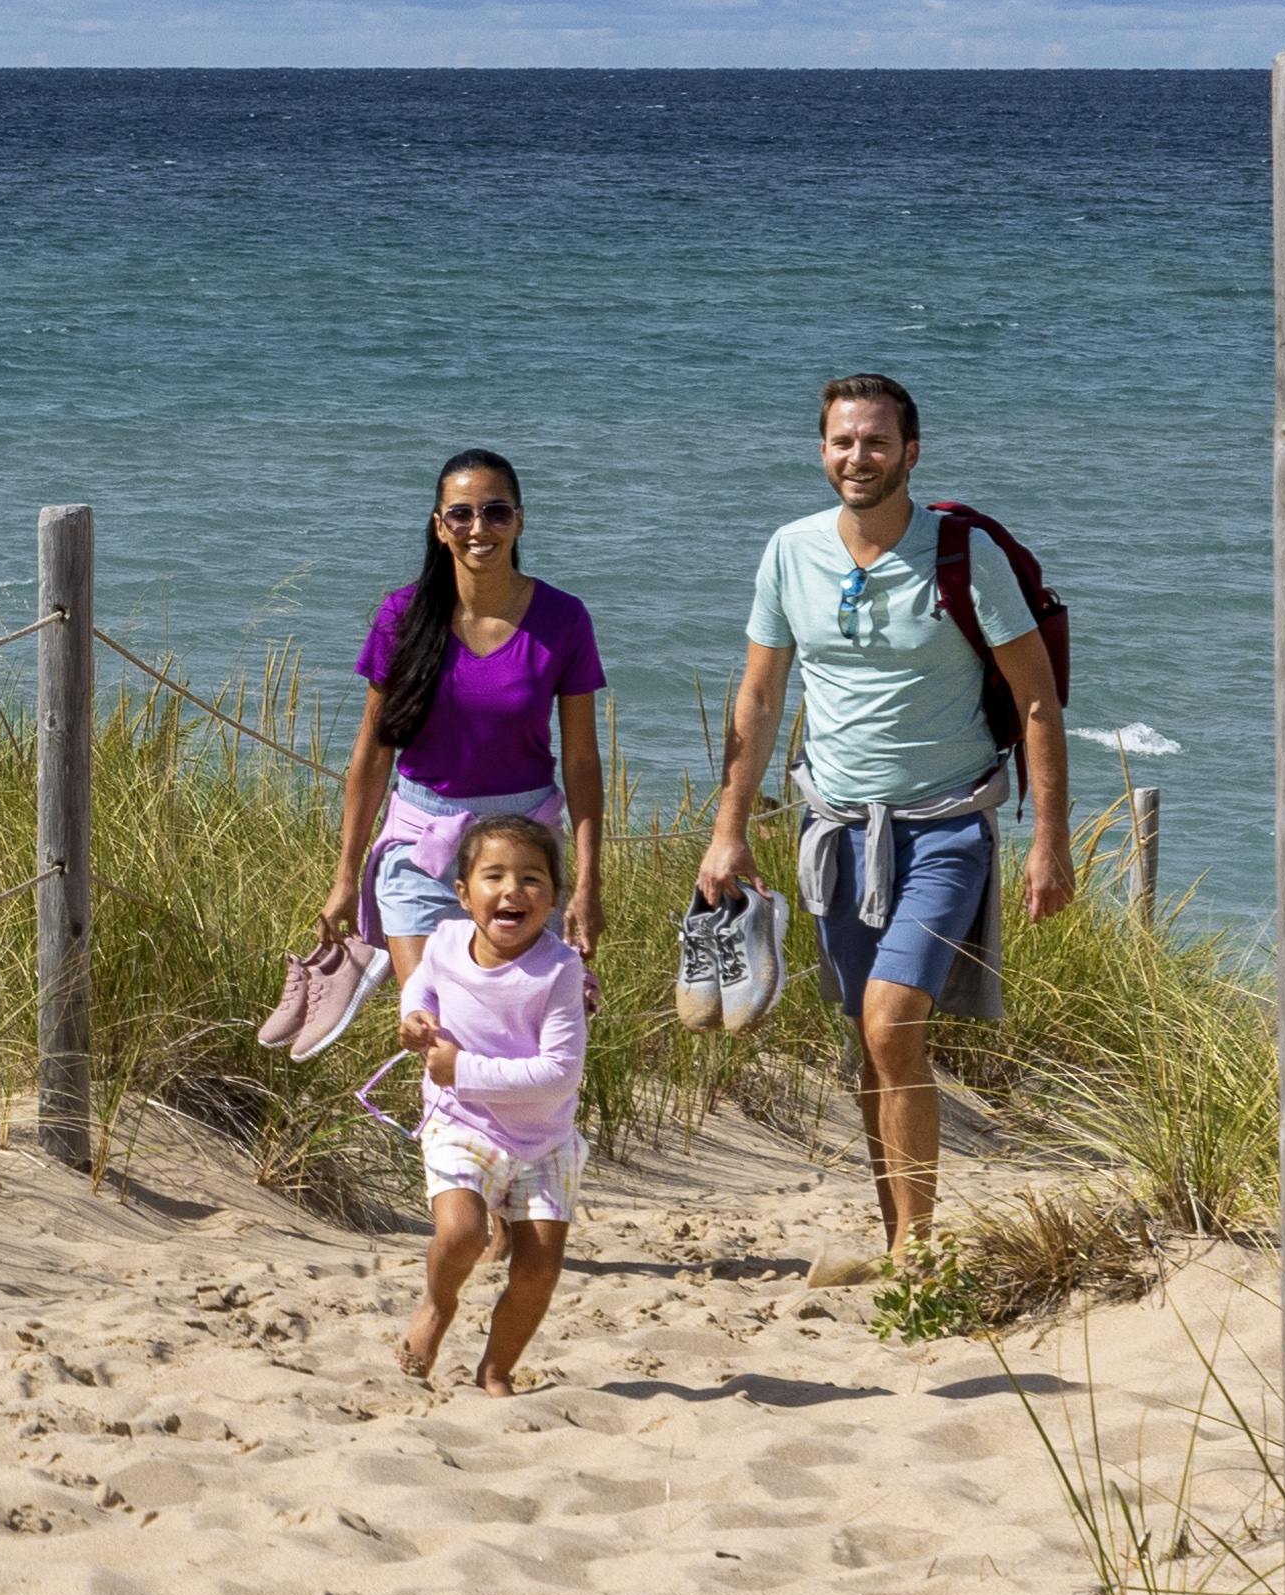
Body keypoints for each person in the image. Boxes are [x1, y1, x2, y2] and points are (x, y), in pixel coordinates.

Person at [692, 371, 1075, 1278]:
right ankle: (896, 1231)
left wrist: (1050, 836)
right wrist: (729, 827)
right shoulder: (789, 552)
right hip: (834, 833)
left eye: (874, 441)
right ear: (820, 450)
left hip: (944, 825)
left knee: (893, 1019)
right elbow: (759, 692)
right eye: (841, 441)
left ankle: (918, 1241)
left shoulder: (961, 556)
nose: (856, 457)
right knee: (869, 1035)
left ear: (911, 450)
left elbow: (1036, 702)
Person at [310, 447, 606, 994]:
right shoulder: (402, 615)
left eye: (496, 512)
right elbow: (373, 753)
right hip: (421, 847)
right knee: (435, 1028)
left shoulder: (564, 619)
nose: (479, 528)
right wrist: (345, 878)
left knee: (514, 1032)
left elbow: (583, 761)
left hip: (523, 854)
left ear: (519, 521)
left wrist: (587, 881)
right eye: (461, 514)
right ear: (440, 527)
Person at [395, 810, 591, 1392]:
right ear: (463, 893)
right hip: (461, 1122)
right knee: (460, 1234)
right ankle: (437, 1305)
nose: (513, 890)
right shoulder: (447, 940)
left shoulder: (559, 970)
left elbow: (559, 1075)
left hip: (544, 1139)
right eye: (494, 876)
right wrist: (413, 1016)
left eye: (532, 879)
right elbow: (422, 982)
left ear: (554, 897)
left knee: (538, 1273)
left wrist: (463, 1069)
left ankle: (496, 1367)